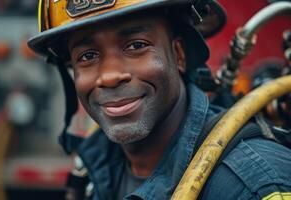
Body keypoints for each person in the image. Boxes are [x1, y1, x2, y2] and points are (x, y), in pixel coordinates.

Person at [28, 0, 291, 199]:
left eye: (136, 45)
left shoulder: (256, 185)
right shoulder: (93, 166)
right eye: (87, 56)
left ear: (178, 54)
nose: (109, 76)